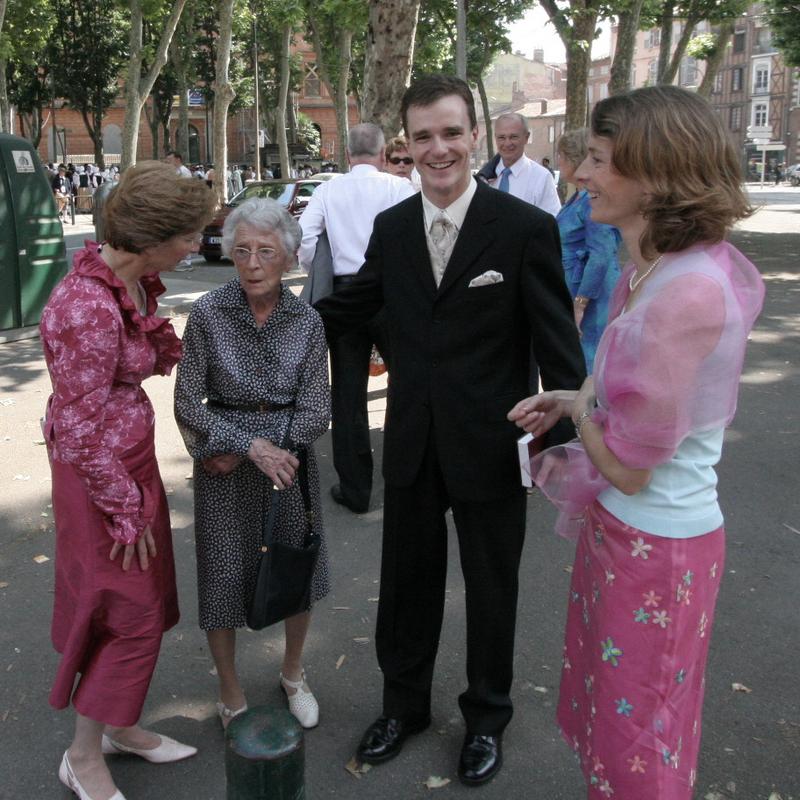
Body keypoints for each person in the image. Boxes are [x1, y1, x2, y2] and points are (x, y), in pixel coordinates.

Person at [314, 75, 584, 785]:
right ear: (406, 145)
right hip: (410, 441)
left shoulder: (523, 228)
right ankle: (401, 709)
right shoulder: (392, 228)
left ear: (476, 136)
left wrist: (564, 452)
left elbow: (560, 350)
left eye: (452, 133)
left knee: (492, 590)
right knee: (407, 585)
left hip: (493, 446)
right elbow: (352, 305)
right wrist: (262, 316)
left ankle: (487, 718)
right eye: (424, 136)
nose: (439, 149)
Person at [508, 85, 765, 800]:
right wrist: (574, 400)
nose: (580, 174)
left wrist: (583, 412)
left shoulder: (683, 291)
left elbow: (628, 469)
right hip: (633, 536)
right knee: (622, 721)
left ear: (654, 174)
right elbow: (646, 410)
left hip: (656, 544)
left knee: (640, 745)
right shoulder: (655, 269)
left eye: (597, 159)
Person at [40, 161, 216, 800]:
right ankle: (82, 756)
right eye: (187, 236)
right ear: (150, 240)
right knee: (127, 614)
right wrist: (124, 507)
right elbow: (78, 431)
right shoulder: (88, 306)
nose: (195, 246)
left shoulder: (126, 281)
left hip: (128, 464)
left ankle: (118, 726)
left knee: (144, 601)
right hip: (102, 479)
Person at [174, 197, 331, 731]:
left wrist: (267, 450)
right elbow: (187, 401)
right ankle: (229, 686)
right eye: (241, 251)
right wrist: (245, 447)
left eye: (266, 251)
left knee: (295, 570)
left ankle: (293, 674)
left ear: (288, 256)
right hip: (222, 464)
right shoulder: (208, 312)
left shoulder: (307, 320)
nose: (253, 263)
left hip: (288, 467)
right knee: (221, 578)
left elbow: (316, 408)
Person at [299, 123, 415, 514]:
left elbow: (304, 237)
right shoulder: (399, 188)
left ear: (347, 155)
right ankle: (409, 476)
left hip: (346, 293)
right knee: (409, 383)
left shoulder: (328, 190)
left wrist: (318, 271)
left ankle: (355, 488)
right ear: (383, 155)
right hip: (390, 292)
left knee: (348, 394)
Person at [555, 128, 621, 373]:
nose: (558, 161)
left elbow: (602, 253)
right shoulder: (578, 198)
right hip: (576, 287)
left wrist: (580, 303)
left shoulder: (591, 200)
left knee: (591, 362)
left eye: (561, 155)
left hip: (592, 295)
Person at [477, 113, 561, 216]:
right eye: (501, 137)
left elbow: (552, 220)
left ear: (526, 137)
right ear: (495, 137)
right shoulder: (484, 179)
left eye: (513, 137)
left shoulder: (542, 178)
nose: (507, 143)